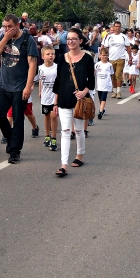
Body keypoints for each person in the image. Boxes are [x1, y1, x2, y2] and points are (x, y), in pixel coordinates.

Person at [0, 14, 38, 164]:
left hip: (19, 86)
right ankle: (10, 138)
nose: (7, 29)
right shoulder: (3, 38)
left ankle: (15, 151)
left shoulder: (27, 40)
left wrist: (28, 86)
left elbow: (32, 64)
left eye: (9, 26)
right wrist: (5, 39)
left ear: (17, 25)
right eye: (4, 26)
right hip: (3, 84)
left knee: (18, 119)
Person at [52, 28, 95, 177]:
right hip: (64, 99)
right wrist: (55, 103)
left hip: (80, 100)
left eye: (74, 39)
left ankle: (80, 155)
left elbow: (91, 81)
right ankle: (63, 165)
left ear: (80, 41)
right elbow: (58, 81)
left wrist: (84, 91)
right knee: (65, 131)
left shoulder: (87, 58)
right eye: (69, 39)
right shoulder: (61, 58)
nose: (70, 41)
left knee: (78, 130)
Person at [101, 20, 131, 99]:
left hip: (121, 58)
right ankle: (114, 91)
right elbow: (106, 48)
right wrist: (105, 58)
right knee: (113, 76)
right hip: (111, 59)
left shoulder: (123, 37)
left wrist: (130, 57)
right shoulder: (109, 37)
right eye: (116, 26)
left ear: (120, 28)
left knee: (118, 75)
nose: (117, 28)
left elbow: (128, 48)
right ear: (113, 27)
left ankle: (118, 92)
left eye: (119, 27)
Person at [38, 45, 58, 151]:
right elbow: (40, 80)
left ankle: (54, 138)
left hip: (55, 97)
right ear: (43, 56)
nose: (51, 56)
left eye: (52, 54)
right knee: (46, 116)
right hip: (45, 97)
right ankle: (47, 135)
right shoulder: (40, 68)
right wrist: (40, 91)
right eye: (48, 54)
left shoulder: (57, 68)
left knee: (54, 116)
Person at [94, 47, 114, 119]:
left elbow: (111, 74)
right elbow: (94, 73)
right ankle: (103, 109)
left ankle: (100, 112)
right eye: (103, 55)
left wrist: (111, 84)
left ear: (108, 56)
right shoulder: (97, 64)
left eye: (106, 55)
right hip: (99, 84)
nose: (104, 57)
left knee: (103, 98)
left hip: (106, 84)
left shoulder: (109, 65)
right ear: (100, 56)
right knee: (100, 98)